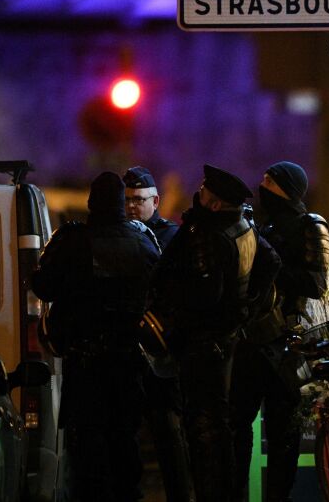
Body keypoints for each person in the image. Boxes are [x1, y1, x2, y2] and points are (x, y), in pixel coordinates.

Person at [151, 164, 280, 502]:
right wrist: (249, 306)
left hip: (204, 342)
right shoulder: (243, 224)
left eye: (205, 192)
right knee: (220, 425)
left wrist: (177, 311)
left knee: (204, 427)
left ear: (214, 203)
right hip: (227, 339)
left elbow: (204, 293)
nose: (200, 193)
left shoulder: (207, 234)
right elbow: (271, 262)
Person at [32, 172, 161, 502]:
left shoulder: (73, 241)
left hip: (86, 362)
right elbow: (159, 293)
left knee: (88, 452)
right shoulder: (144, 242)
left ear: (91, 202)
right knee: (124, 444)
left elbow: (43, 286)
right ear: (122, 203)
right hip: (130, 361)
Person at [230, 161, 329, 502]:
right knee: (237, 427)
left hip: (286, 343)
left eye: (268, 181)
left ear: (285, 188)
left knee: (283, 434)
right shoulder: (255, 224)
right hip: (248, 342)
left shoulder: (309, 226)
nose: (261, 184)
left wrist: (273, 265)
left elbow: (315, 284)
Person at [122, 165, 194, 502]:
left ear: (156, 201)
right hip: (128, 348)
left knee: (168, 434)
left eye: (139, 199)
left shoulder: (171, 238)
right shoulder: (122, 236)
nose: (133, 206)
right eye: (128, 200)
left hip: (161, 349)